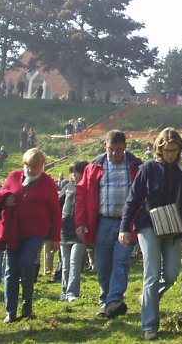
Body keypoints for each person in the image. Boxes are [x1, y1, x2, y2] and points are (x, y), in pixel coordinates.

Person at [118, 127, 182, 342]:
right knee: (151, 274)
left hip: (174, 227)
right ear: (159, 149)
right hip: (148, 226)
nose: (170, 153)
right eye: (166, 150)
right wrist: (125, 227)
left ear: (179, 150)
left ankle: (148, 298)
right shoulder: (147, 170)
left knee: (171, 274)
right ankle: (150, 325)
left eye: (174, 150)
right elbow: (133, 200)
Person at [0, 148, 61, 323]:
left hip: (35, 233)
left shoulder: (47, 183)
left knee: (26, 263)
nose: (32, 170)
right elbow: (0, 194)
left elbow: (55, 212)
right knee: (11, 270)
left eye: (36, 167)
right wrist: (6, 201)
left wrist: (56, 238)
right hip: (14, 231)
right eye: (29, 166)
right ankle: (10, 311)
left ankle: (27, 305)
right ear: (24, 163)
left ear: (42, 166)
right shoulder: (13, 176)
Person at [74, 130, 143, 318]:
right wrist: (80, 222)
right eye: (110, 149)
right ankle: (105, 300)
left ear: (125, 148)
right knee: (103, 264)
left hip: (126, 223)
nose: (114, 154)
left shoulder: (136, 167)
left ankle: (114, 300)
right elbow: (81, 195)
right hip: (102, 222)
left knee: (121, 261)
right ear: (105, 146)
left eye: (118, 149)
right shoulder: (94, 167)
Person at [60, 160, 89, 302]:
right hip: (65, 230)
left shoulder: (89, 188)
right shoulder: (67, 186)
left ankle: (72, 293)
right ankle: (64, 292)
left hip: (80, 231)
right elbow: (58, 204)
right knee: (65, 265)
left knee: (74, 262)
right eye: (71, 171)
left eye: (75, 171)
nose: (72, 174)